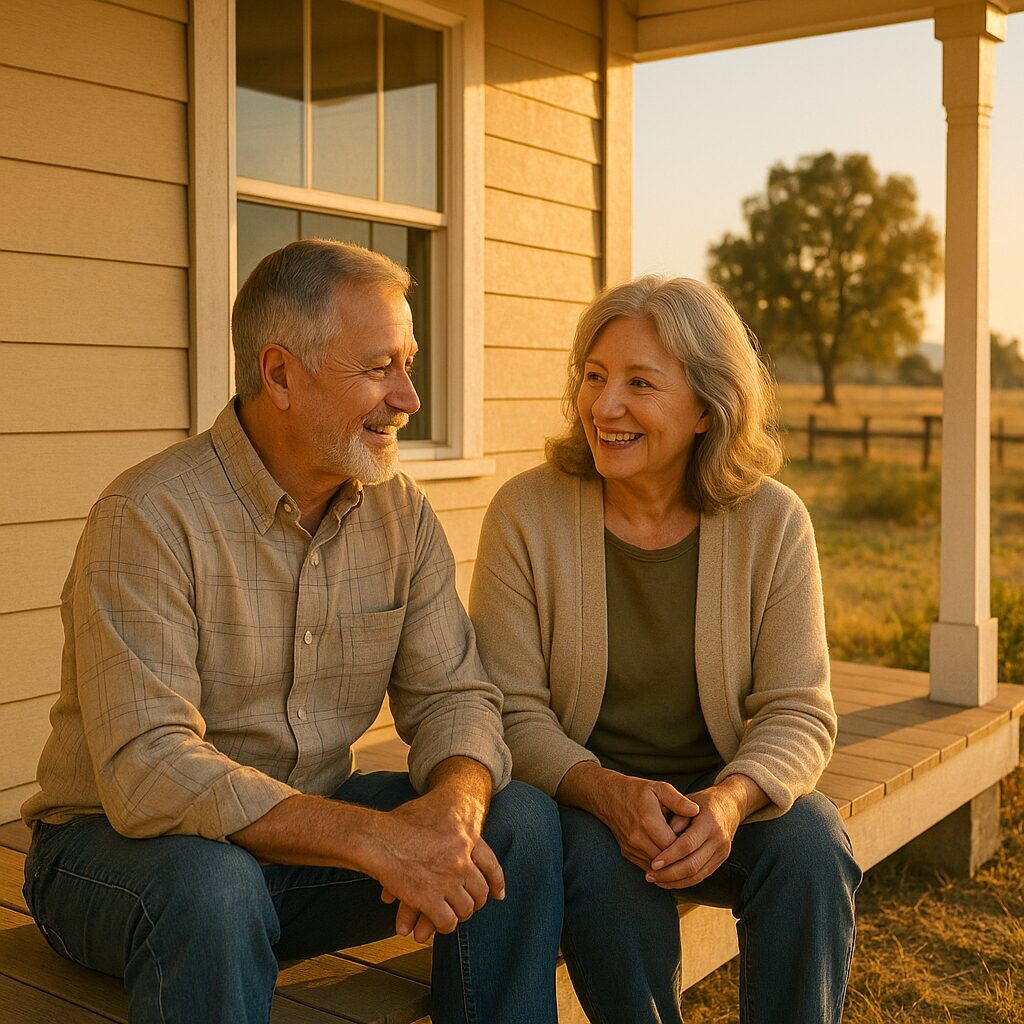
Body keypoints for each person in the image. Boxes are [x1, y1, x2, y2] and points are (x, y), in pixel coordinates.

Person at [21, 239, 563, 1024]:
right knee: (214, 886)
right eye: (379, 368)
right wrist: (374, 841)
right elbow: (149, 770)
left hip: (301, 850)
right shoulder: (148, 518)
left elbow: (457, 695)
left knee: (517, 821)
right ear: (279, 373)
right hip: (121, 861)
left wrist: (453, 808)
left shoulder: (399, 513)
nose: (409, 398)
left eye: (408, 363)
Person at [470, 275, 863, 1024]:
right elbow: (507, 709)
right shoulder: (526, 513)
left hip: (722, 798)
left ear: (708, 410)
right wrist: (605, 791)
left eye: (639, 384)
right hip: (584, 796)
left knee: (813, 841)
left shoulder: (774, 523)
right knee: (596, 857)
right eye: (594, 376)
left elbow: (799, 711)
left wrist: (731, 798)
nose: (604, 406)